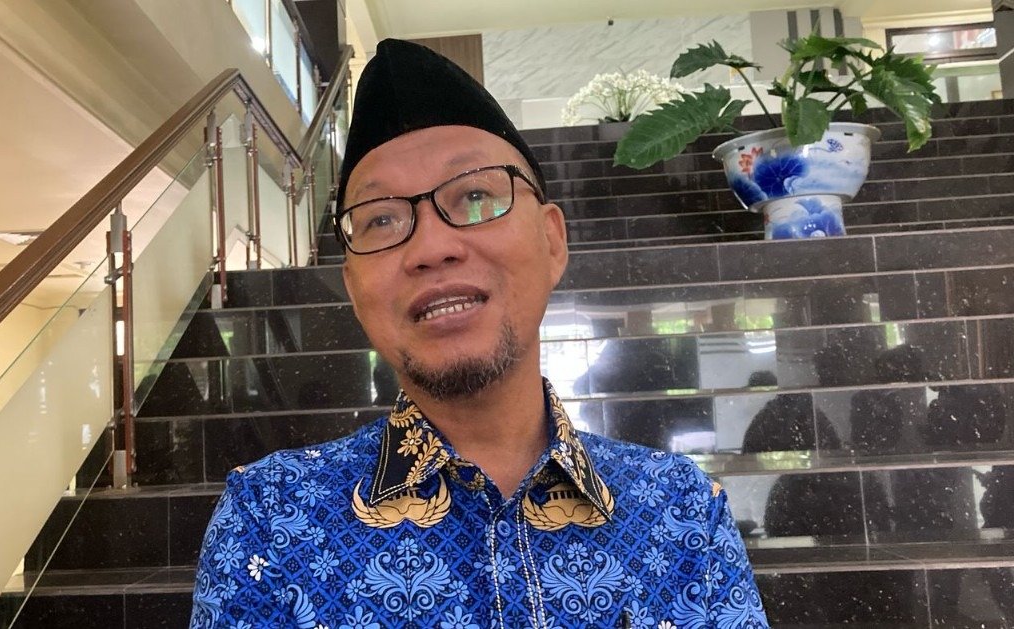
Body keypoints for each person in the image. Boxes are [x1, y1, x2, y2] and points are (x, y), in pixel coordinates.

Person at [190, 38, 768, 628]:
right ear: (353, 288)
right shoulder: (270, 519)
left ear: (552, 241)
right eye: (381, 218)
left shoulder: (681, 513)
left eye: (473, 195)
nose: (431, 247)